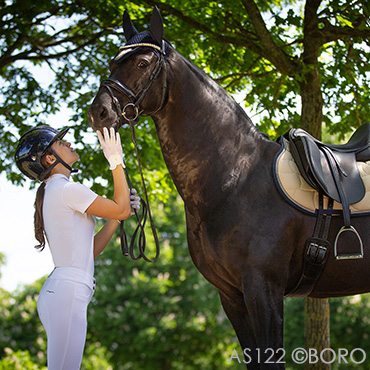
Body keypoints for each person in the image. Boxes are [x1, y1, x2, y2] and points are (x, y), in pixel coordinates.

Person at [14, 125, 139, 370]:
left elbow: (88, 252)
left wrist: (117, 218)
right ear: (50, 158)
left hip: (67, 290)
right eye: (61, 143)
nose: (68, 143)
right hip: (67, 292)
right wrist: (116, 160)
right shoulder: (66, 189)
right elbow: (122, 207)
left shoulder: (58, 190)